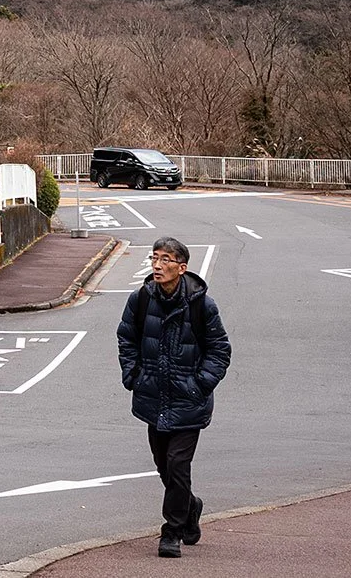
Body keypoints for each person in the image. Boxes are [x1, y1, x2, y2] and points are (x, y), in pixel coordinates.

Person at [117, 236, 231, 559]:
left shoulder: (201, 305)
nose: (157, 265)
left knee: (178, 465)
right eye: (155, 258)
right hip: (154, 400)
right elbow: (126, 338)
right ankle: (190, 506)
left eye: (166, 260)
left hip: (187, 403)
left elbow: (220, 350)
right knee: (164, 467)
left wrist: (199, 385)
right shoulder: (140, 300)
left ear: (182, 268)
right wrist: (134, 376)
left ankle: (172, 532)